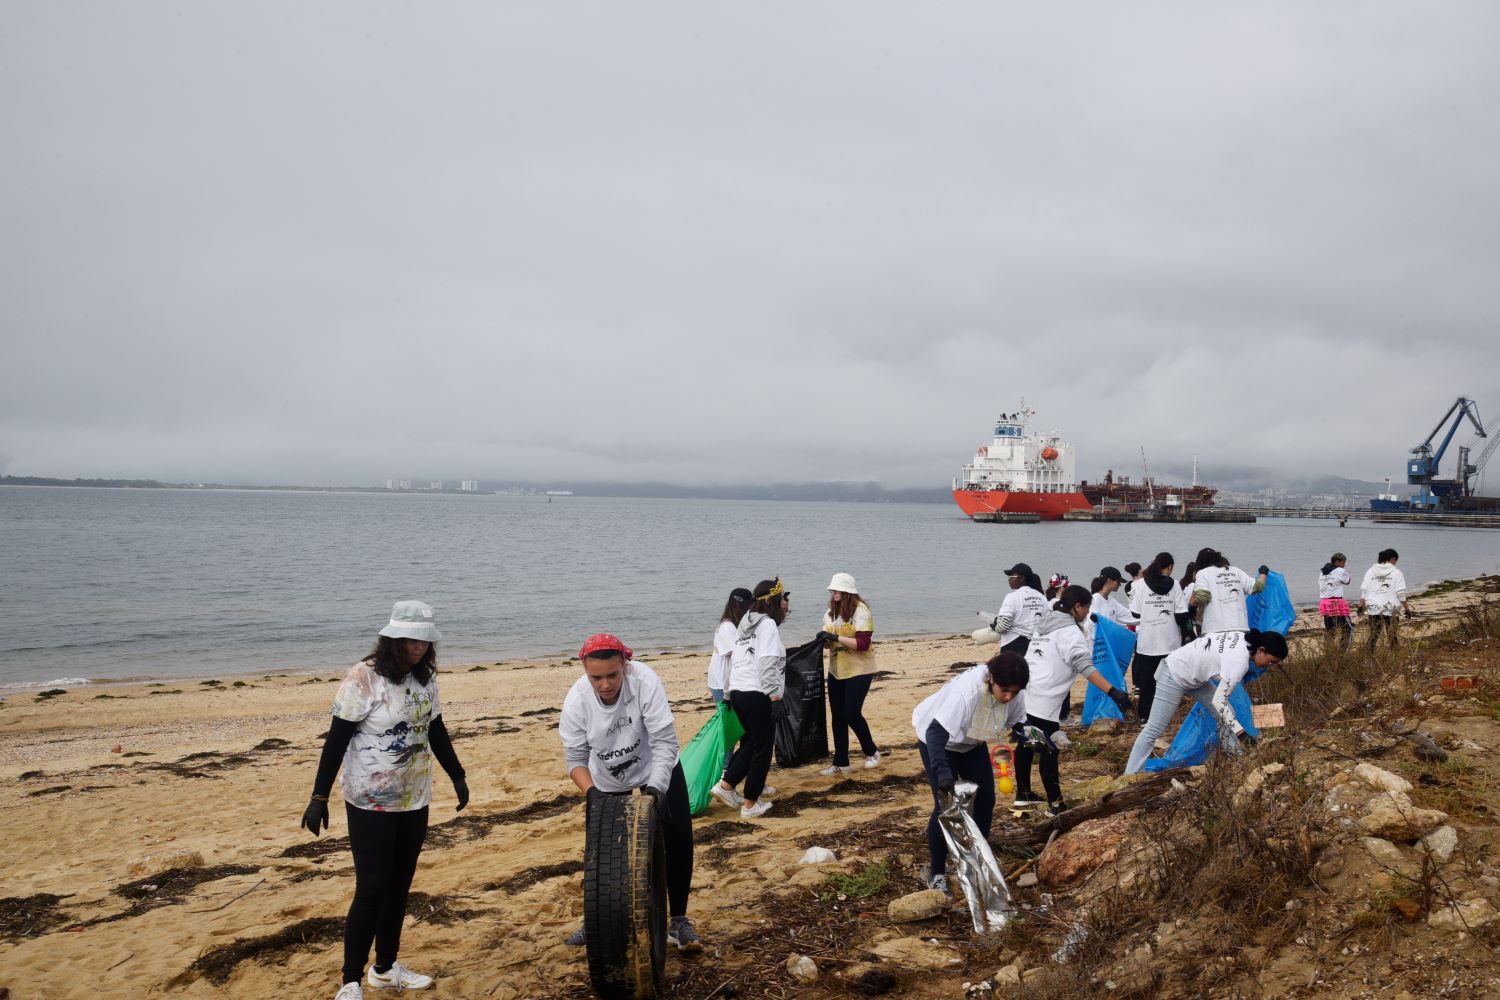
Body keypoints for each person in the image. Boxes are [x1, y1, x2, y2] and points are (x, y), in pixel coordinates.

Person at [300, 600, 469, 1000]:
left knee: (399, 886)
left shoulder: (426, 677)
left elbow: (436, 727)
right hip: (370, 799)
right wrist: (318, 796)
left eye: (426, 641)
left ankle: (386, 968)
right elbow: (337, 738)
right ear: (392, 638)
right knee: (372, 886)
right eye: (412, 640)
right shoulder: (364, 677)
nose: (420, 647)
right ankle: (350, 981)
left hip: (414, 797)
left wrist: (457, 774)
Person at [559, 633, 702, 952]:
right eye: (596, 677)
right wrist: (591, 792)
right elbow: (575, 758)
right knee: (602, 851)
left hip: (657, 763)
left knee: (678, 836)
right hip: (608, 778)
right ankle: (596, 920)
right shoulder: (577, 699)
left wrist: (655, 790)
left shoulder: (645, 682)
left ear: (625, 664)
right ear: (585, 670)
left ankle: (678, 920)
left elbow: (666, 743)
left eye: (612, 675)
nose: (605, 685)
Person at [911, 651, 1030, 894]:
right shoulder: (967, 693)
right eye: (1004, 690)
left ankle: (978, 862)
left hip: (972, 741)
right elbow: (936, 733)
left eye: (1014, 692)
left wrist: (1025, 734)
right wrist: (943, 773)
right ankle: (937, 874)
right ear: (991, 679)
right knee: (946, 805)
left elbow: (1018, 723)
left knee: (986, 799)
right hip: (938, 739)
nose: (1008, 697)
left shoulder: (1012, 691)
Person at [1020, 585, 1136, 814]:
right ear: (1077, 607)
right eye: (1086, 608)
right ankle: (1056, 805)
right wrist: (1113, 692)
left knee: (1025, 745)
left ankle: (1022, 795)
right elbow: (1084, 666)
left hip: (1027, 693)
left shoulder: (1045, 623)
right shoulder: (1070, 632)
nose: (1087, 613)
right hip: (1045, 699)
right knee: (1049, 750)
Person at [1124, 628, 1288, 774]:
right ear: (1261, 650)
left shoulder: (1246, 639)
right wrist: (1242, 734)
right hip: (1173, 673)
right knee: (1154, 729)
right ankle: (1130, 775)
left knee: (1226, 714)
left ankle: (1237, 759)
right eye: (1271, 661)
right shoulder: (1239, 662)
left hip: (1195, 677)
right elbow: (1219, 701)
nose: (1269, 666)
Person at [712, 578, 788, 818]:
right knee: (763, 749)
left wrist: (726, 693)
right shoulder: (766, 625)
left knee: (753, 742)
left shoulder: (744, 622)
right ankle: (750, 804)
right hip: (758, 692)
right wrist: (775, 697)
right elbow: (766, 661)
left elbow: (736, 660)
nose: (785, 604)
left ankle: (725, 786)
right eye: (782, 599)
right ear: (773, 601)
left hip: (738, 691)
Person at [815, 573, 881, 776]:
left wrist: (835, 637)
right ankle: (841, 761)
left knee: (851, 712)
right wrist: (823, 640)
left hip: (859, 669)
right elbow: (829, 644)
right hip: (837, 670)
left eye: (837, 590)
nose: (833, 592)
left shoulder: (861, 612)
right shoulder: (830, 614)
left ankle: (872, 752)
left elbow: (863, 644)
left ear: (847, 592)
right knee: (837, 716)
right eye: (832, 590)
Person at [1128, 552, 1191, 721]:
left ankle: (1144, 718)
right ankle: (1164, 717)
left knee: (1147, 684)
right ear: (1170, 567)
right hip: (1170, 643)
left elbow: (1135, 612)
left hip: (1147, 643)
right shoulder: (1175, 584)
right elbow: (1182, 615)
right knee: (1168, 683)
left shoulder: (1140, 584)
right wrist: (1188, 636)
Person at [1190, 548, 1268, 634]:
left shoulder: (1203, 573)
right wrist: (1263, 573)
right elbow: (1258, 587)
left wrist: (1192, 601)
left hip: (1213, 629)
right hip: (1240, 627)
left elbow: (1202, 597)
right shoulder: (1236, 571)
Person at [991, 562, 1049, 656]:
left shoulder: (1012, 597)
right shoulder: (1041, 597)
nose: (1009, 580)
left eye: (1011, 577)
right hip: (1037, 643)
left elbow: (1003, 626)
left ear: (1022, 578)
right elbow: (1048, 620)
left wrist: (995, 627)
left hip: (1013, 645)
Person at [709, 588, 754, 705]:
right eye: (750, 605)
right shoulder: (727, 626)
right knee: (727, 719)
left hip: (733, 681)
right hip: (722, 683)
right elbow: (735, 652)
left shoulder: (737, 625)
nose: (751, 609)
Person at [1359, 548, 1409, 648]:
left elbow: (1364, 590)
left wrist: (1360, 606)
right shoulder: (1397, 572)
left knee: (1374, 634)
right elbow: (1400, 593)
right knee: (1392, 635)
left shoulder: (1370, 571)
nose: (1395, 563)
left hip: (1373, 607)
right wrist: (1407, 608)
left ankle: (1368, 657)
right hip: (1391, 607)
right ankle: (1394, 657)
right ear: (1393, 559)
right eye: (1396, 561)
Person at [1318, 553, 1354, 651]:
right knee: (1348, 629)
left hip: (1325, 603)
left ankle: (1329, 653)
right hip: (1337, 603)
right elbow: (1348, 581)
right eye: (1343, 562)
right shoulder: (1340, 570)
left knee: (1330, 630)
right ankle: (1343, 652)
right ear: (1337, 562)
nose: (1344, 565)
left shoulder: (1322, 572)